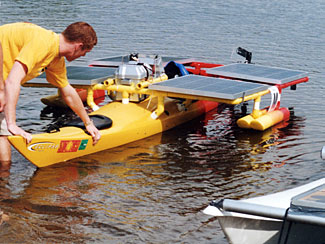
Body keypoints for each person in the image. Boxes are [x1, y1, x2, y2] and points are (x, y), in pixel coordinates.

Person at [0, 22, 101, 164]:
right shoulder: (43, 43)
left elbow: (68, 93)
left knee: (2, 135)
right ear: (79, 46)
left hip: (2, 84)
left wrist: (88, 122)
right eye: (85, 52)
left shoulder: (55, 57)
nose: (83, 55)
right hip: (4, 84)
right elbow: (12, 81)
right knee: (5, 131)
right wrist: (12, 124)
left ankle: (4, 179)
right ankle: (5, 178)